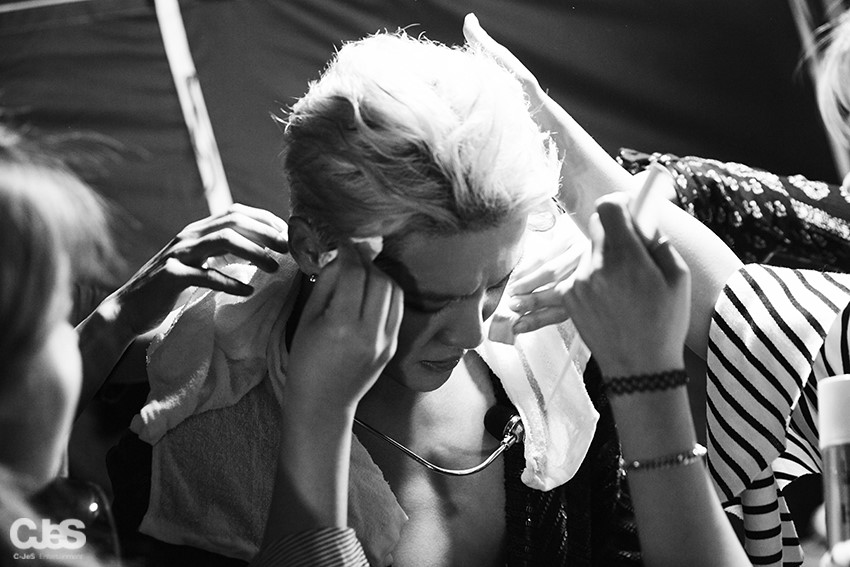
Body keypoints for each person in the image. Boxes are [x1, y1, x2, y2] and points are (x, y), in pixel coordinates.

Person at [103, 15, 754, 567]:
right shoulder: (203, 408)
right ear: (314, 249)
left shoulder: (553, 339)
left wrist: (649, 379)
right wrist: (317, 417)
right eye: (430, 301)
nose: (475, 330)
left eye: (495, 281)